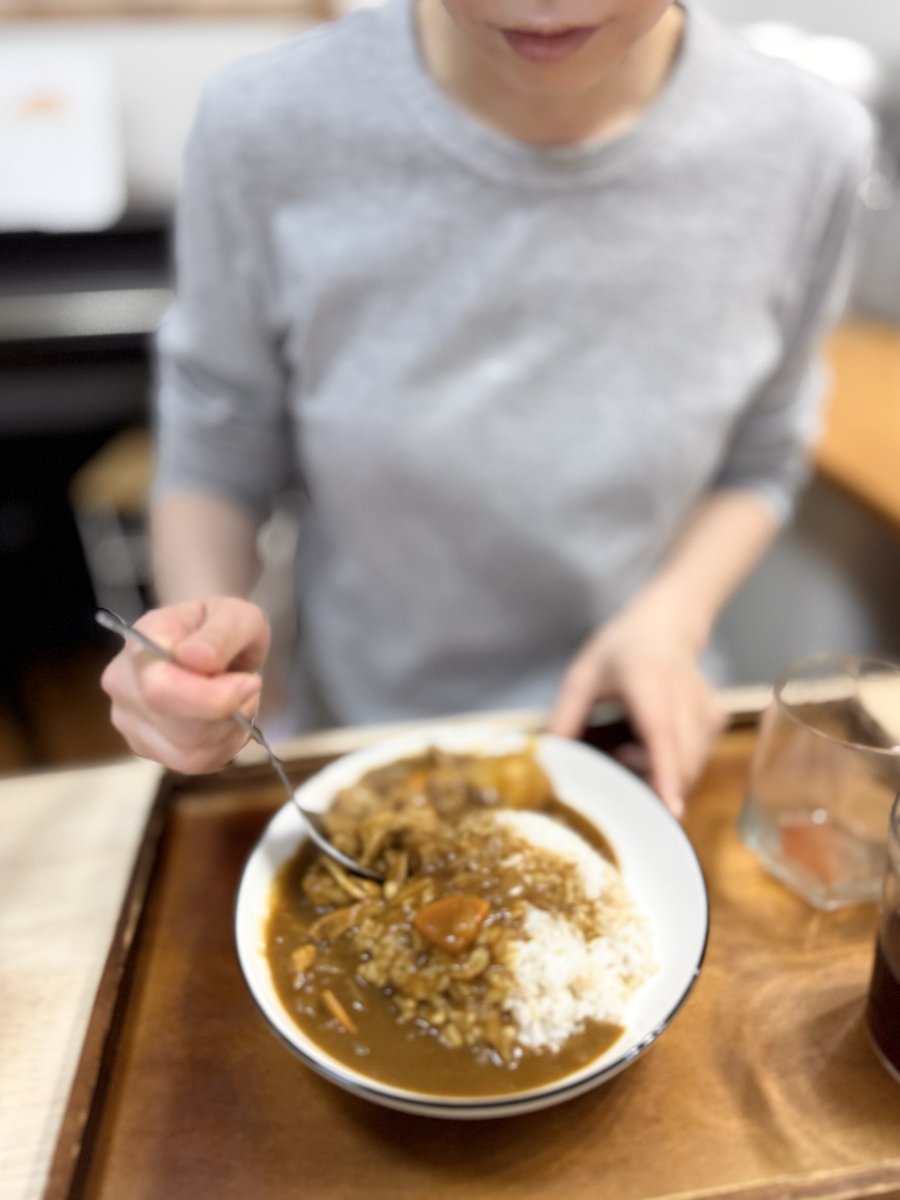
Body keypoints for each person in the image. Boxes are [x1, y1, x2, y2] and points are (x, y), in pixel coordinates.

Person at [101, 0, 871, 817]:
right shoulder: (267, 122)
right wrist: (196, 653)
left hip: (639, 732)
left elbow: (765, 452)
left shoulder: (805, 141)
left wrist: (670, 619)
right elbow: (217, 448)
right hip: (362, 739)